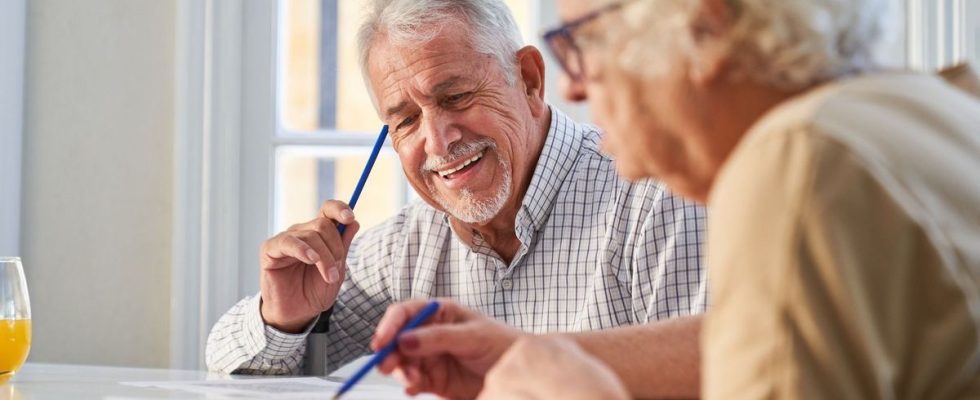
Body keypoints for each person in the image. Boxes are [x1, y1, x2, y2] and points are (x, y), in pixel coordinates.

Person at [373, 0, 980, 398]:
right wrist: (527, 353)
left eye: (582, 42)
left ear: (706, 27)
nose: (575, 86)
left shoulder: (794, 160)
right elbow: (773, 341)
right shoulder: (924, 109)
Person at [204, 0, 707, 378]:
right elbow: (230, 373)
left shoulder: (657, 200)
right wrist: (283, 319)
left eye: (457, 96)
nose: (437, 139)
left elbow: (725, 377)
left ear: (530, 80)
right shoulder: (407, 246)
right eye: (404, 121)